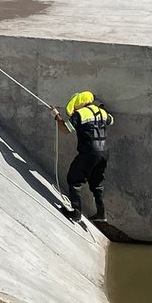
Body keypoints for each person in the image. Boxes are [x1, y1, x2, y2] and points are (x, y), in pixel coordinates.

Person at [55, 91, 113, 223]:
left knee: (74, 179)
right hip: (104, 153)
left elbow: (65, 129)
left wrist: (57, 116)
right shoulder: (102, 113)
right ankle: (101, 213)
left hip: (89, 153)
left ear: (80, 102)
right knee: (97, 183)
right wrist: (101, 107)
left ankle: (76, 213)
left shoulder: (80, 114)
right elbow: (111, 120)